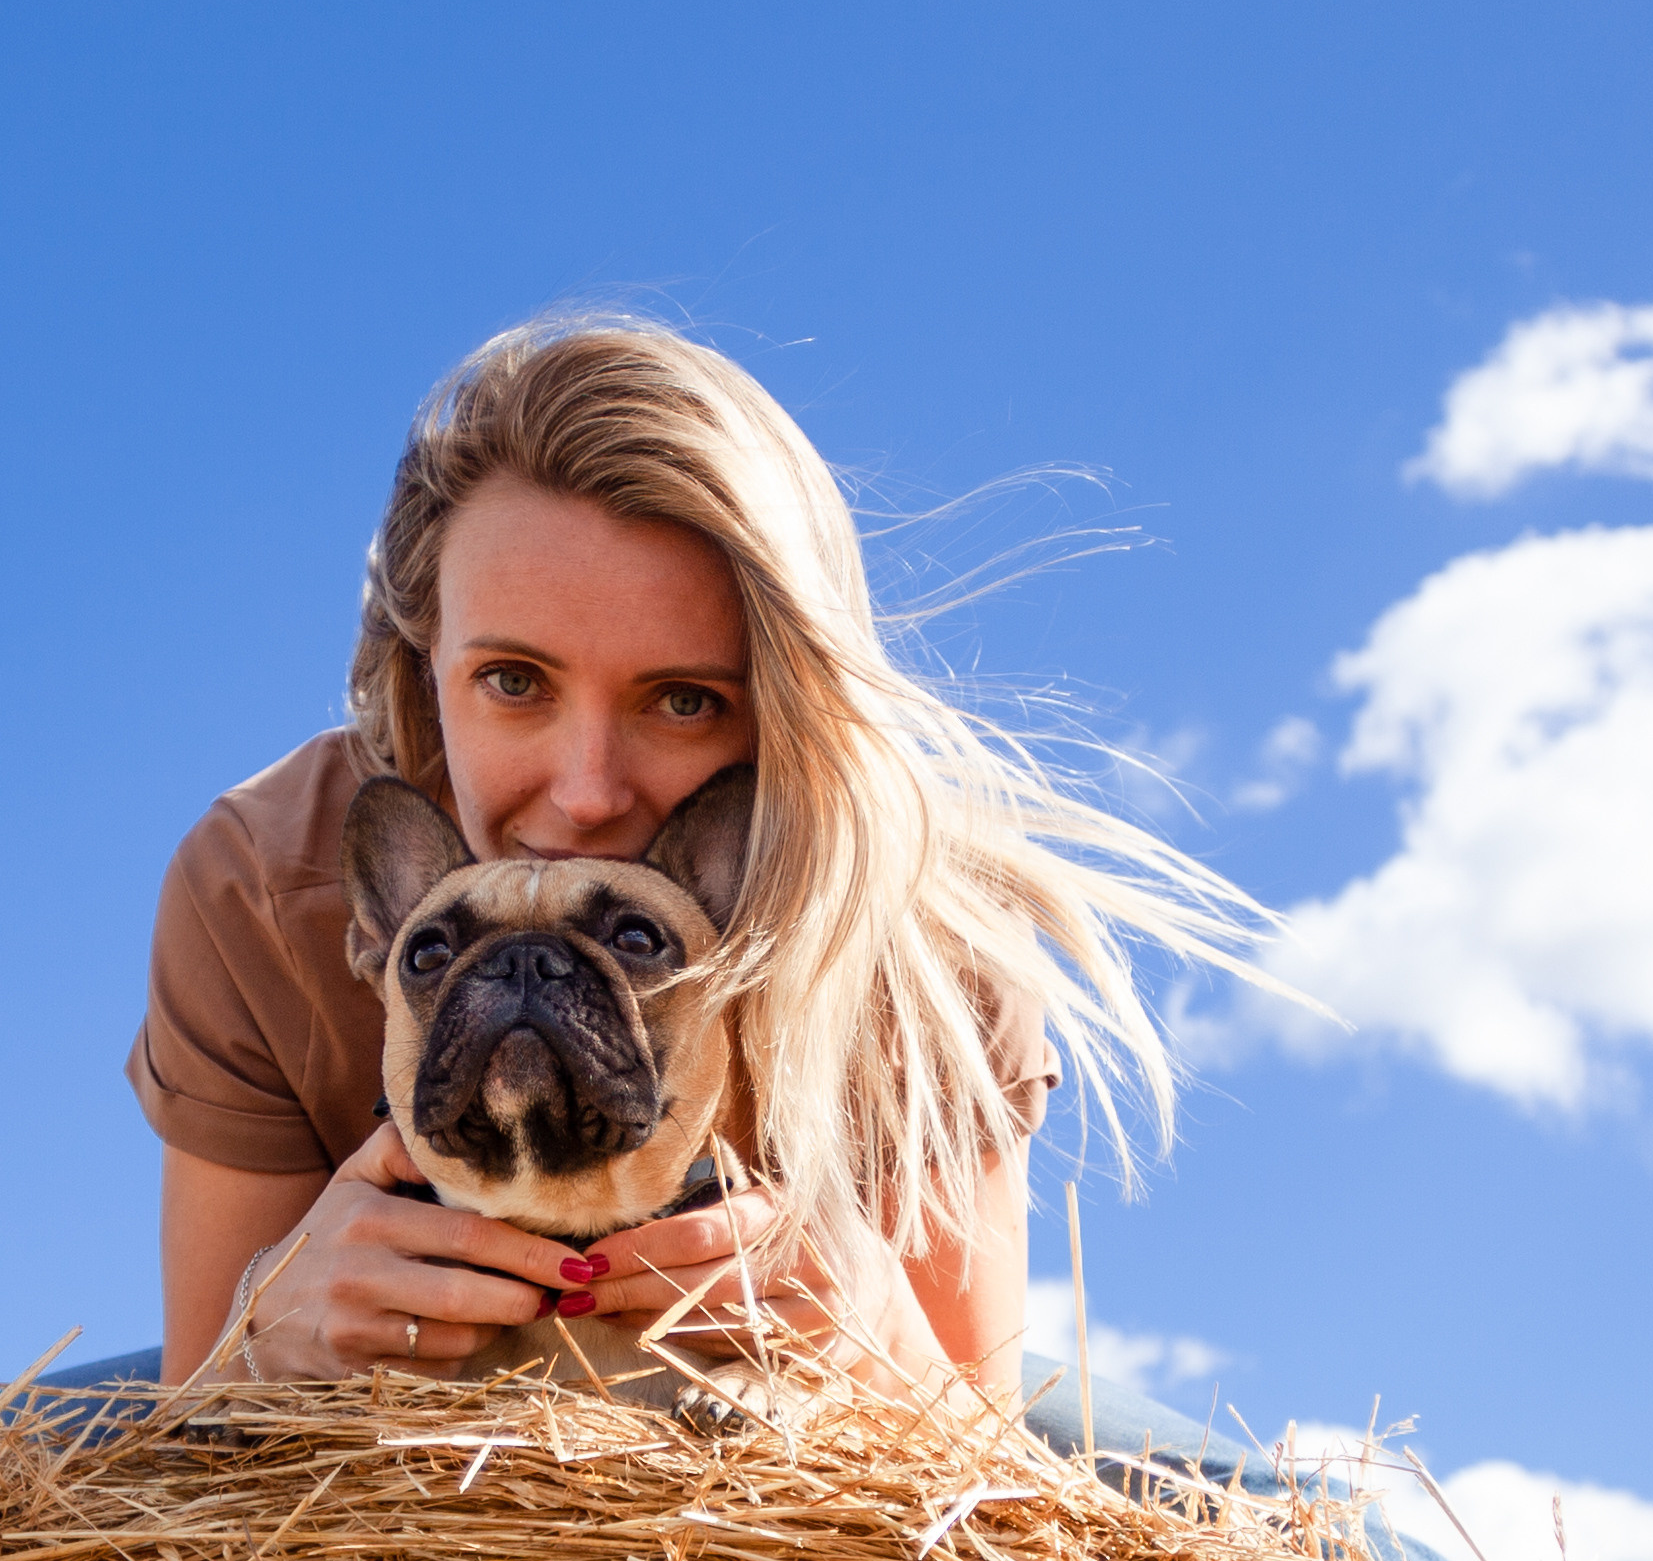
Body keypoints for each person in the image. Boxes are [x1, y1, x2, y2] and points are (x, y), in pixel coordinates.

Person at [133, 318, 1256, 1400]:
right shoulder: (266, 884)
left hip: (789, 1416)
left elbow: (978, 1457)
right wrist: (261, 1333)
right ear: (423, 665)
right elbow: (195, 1422)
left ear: (788, 709)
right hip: (387, 1442)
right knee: (35, 1443)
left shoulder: (929, 940)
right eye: (514, 683)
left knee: (1281, 1516)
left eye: (683, 701)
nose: (586, 793)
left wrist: (888, 1350)